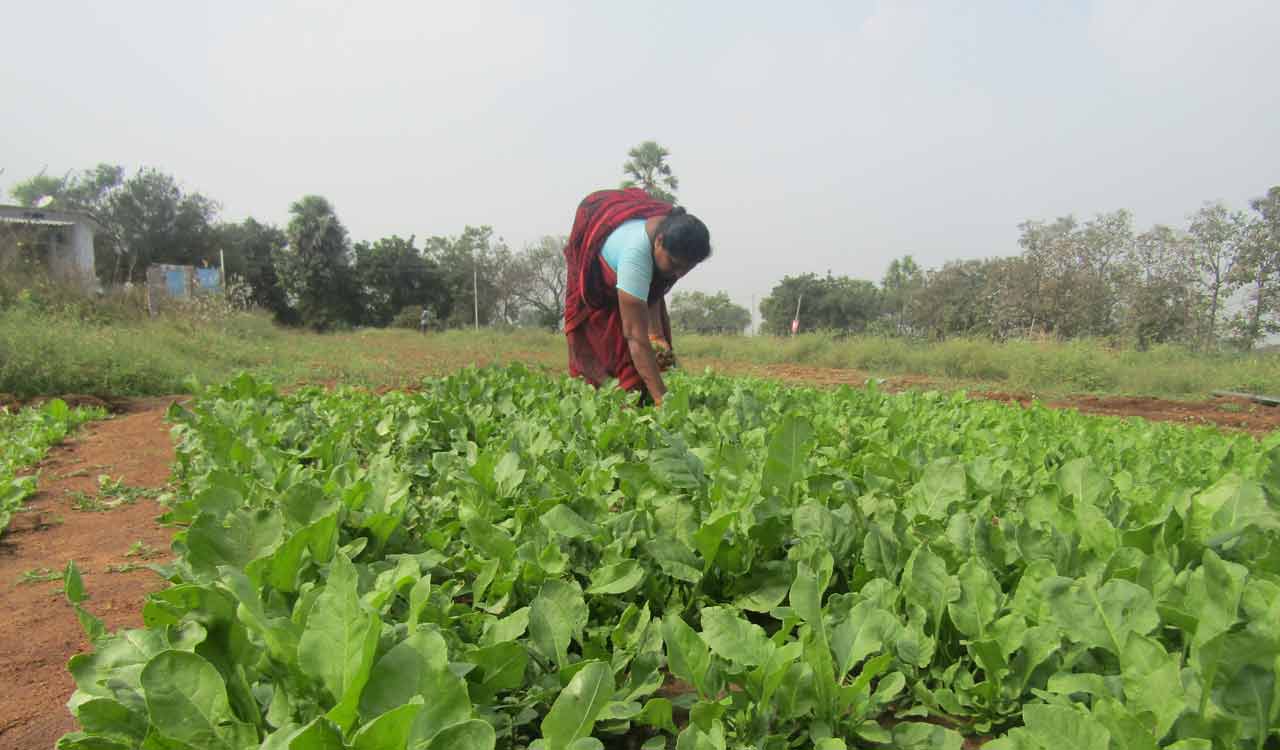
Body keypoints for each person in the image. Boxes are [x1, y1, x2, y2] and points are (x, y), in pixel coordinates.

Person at [563, 188, 711, 406]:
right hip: (602, 290)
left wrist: (657, 335)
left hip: (635, 278)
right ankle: (613, 398)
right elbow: (635, 337)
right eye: (675, 265)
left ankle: (648, 390)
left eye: (687, 268)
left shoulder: (670, 228)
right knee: (620, 371)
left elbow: (652, 293)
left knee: (653, 353)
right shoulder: (635, 258)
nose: (679, 274)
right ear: (658, 241)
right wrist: (664, 401)